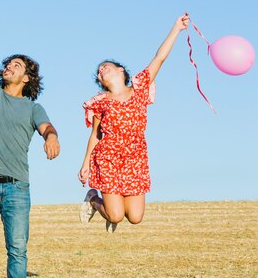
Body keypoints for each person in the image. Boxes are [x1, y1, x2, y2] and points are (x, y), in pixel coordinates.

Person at [0, 0, 60, 278]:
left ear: (27, 78)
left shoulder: (33, 107)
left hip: (18, 189)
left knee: (17, 250)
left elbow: (47, 127)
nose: (9, 67)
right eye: (8, 64)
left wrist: (51, 138)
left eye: (17, 66)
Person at [78, 14, 190, 233]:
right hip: (108, 157)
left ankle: (109, 207)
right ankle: (93, 199)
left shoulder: (140, 88)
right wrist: (85, 164)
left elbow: (160, 57)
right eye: (99, 72)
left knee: (136, 217)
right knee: (116, 215)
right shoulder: (100, 102)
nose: (102, 70)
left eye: (106, 66)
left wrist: (176, 28)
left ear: (121, 71)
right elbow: (95, 135)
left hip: (135, 158)